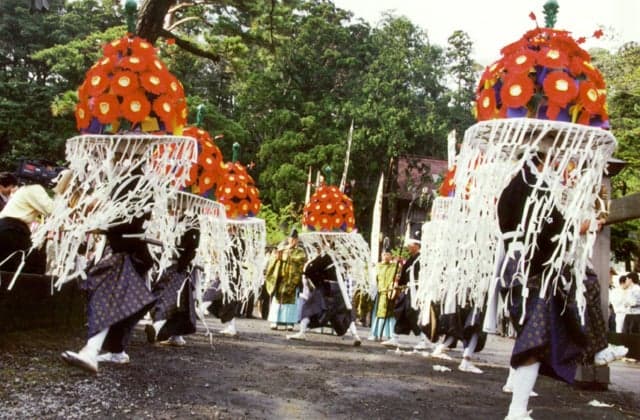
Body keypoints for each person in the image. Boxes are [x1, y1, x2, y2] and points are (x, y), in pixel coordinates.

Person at [498, 152, 626, 420]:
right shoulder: (531, 186)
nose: (560, 163)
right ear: (544, 157)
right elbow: (552, 231)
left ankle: (595, 348)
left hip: (528, 268)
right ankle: (516, 410)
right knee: (534, 339)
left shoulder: (523, 184)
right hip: (532, 270)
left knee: (580, 288)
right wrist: (583, 227)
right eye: (556, 157)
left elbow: (550, 228)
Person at [61, 174, 156, 373]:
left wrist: (103, 219)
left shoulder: (134, 181)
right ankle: (116, 351)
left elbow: (127, 220)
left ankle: (91, 351)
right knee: (122, 306)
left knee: (107, 300)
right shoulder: (129, 179)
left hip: (126, 253)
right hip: (127, 252)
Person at [287, 243, 361, 346]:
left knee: (308, 308)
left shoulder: (324, 258)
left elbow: (309, 271)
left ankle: (302, 332)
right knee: (346, 312)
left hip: (326, 288)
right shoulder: (340, 259)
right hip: (339, 290)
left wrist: (318, 282)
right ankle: (356, 335)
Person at [145, 227, 200, 347]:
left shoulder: (192, 226)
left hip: (179, 270)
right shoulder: (174, 223)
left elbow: (191, 249)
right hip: (169, 268)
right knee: (178, 306)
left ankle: (156, 328)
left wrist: (181, 265)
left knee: (169, 301)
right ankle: (176, 336)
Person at [0, 174, 58, 274]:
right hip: (12, 230)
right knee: (32, 266)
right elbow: (52, 209)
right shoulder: (35, 189)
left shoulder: (23, 189)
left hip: (6, 228)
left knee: (7, 267)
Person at [382, 231, 431, 351]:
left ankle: (424, 339)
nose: (408, 247)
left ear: (417, 245)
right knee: (401, 312)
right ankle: (395, 337)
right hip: (409, 290)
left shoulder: (422, 259)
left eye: (411, 245)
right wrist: (399, 282)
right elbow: (405, 274)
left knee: (412, 313)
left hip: (417, 290)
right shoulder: (411, 259)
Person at [265, 228, 306, 331]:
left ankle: (290, 323)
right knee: (277, 300)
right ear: (288, 239)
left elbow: (301, 260)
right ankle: (274, 321)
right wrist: (277, 256)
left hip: (292, 280)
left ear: (297, 240)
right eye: (291, 239)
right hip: (281, 278)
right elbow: (274, 258)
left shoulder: (300, 251)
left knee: (291, 302)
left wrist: (288, 256)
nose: (292, 241)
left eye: (294, 239)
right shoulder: (282, 248)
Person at [368, 249, 397, 341]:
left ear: (391, 256)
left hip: (391, 293)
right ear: (381, 255)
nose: (386, 256)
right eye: (384, 254)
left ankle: (391, 335)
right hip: (380, 293)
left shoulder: (395, 267)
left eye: (388, 254)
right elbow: (373, 280)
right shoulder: (377, 266)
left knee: (391, 315)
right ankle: (376, 334)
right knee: (379, 314)